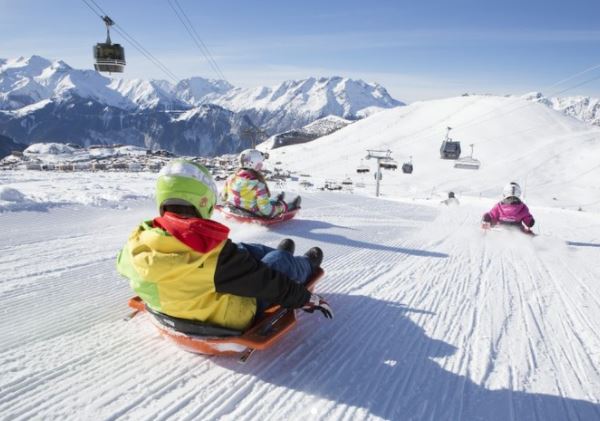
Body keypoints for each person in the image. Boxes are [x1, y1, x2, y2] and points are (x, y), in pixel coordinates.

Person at [117, 159, 332, 332]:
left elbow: (130, 267)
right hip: (228, 316)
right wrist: (304, 298)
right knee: (277, 263)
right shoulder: (213, 255)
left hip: (173, 305)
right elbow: (265, 282)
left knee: (241, 249)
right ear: (204, 200)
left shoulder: (136, 242)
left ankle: (279, 255)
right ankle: (303, 263)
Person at [221, 149, 301, 218]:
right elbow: (266, 211)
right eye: (260, 163)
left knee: (264, 201)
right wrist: (281, 207)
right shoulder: (258, 185)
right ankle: (288, 204)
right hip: (253, 213)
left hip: (234, 209)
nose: (261, 166)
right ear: (254, 164)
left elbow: (223, 198)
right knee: (279, 205)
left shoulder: (230, 178)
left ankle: (274, 200)